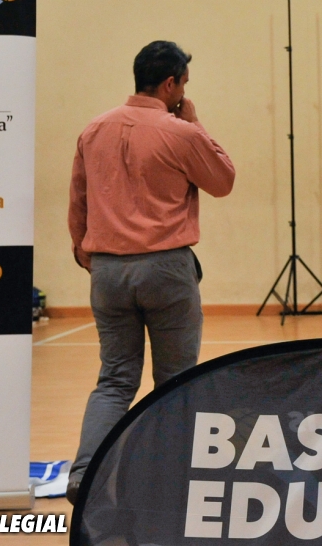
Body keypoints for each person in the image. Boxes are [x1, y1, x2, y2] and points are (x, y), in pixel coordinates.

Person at [66, 41, 235, 503]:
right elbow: (222, 181)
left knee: (115, 379)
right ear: (170, 84)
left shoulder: (93, 129)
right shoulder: (180, 132)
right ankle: (168, 479)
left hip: (107, 270)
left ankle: (84, 474)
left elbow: (78, 201)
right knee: (176, 381)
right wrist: (195, 123)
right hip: (165, 268)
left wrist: (91, 259)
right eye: (184, 84)